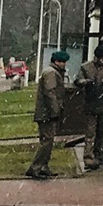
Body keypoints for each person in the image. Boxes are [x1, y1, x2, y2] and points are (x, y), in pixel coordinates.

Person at [27, 48, 71, 179]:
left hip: (46, 112)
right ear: (56, 61)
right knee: (47, 141)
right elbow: (50, 93)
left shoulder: (51, 72)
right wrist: (55, 111)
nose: (65, 64)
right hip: (47, 113)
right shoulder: (51, 73)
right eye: (63, 61)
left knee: (47, 140)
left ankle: (43, 166)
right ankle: (35, 167)